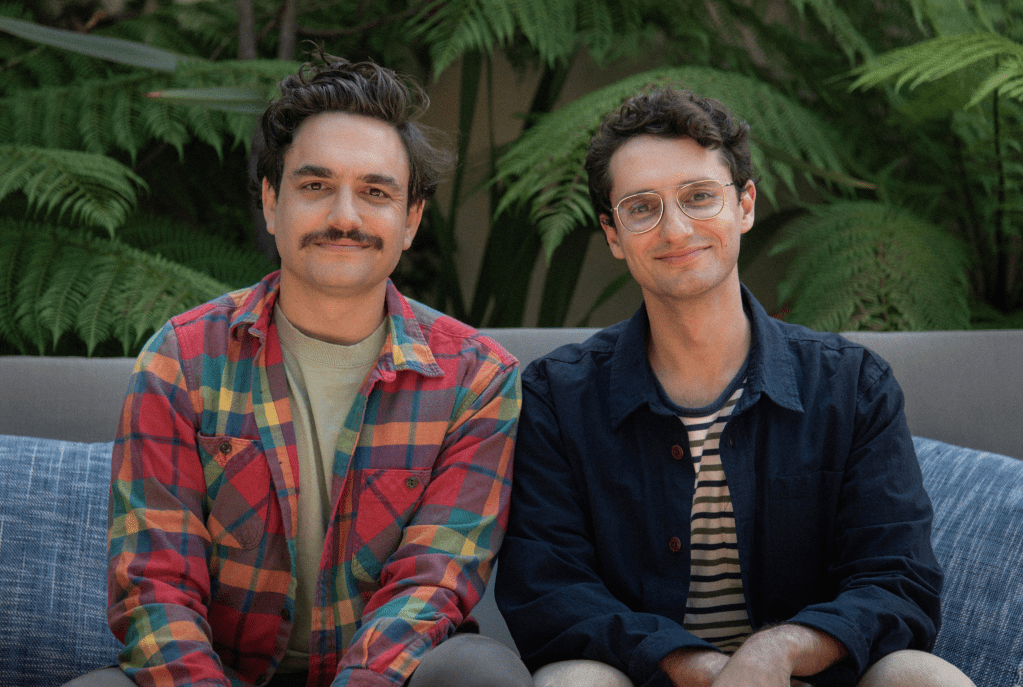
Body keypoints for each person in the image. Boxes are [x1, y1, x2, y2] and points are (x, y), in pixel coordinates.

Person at [494, 87, 976, 687]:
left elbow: (897, 580)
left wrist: (778, 651)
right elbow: (548, 589)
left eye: (699, 196)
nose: (676, 230)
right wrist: (701, 667)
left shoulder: (852, 386)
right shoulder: (557, 398)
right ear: (614, 235)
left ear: (744, 205)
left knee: (923, 676)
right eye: (642, 208)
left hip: (809, 677)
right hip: (646, 678)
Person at [93, 55, 531, 687]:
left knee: (480, 674)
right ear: (272, 202)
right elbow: (154, 583)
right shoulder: (182, 359)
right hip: (220, 674)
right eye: (316, 186)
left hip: (392, 676)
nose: (344, 217)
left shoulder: (476, 380)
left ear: (411, 219)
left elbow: (432, 584)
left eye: (376, 192)